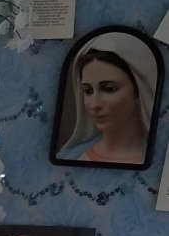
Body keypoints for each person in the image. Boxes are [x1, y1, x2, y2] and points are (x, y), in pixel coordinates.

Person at [56, 31, 157, 165]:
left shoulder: (159, 163)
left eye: (109, 89)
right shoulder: (71, 157)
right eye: (88, 91)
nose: (94, 105)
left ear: (138, 91)